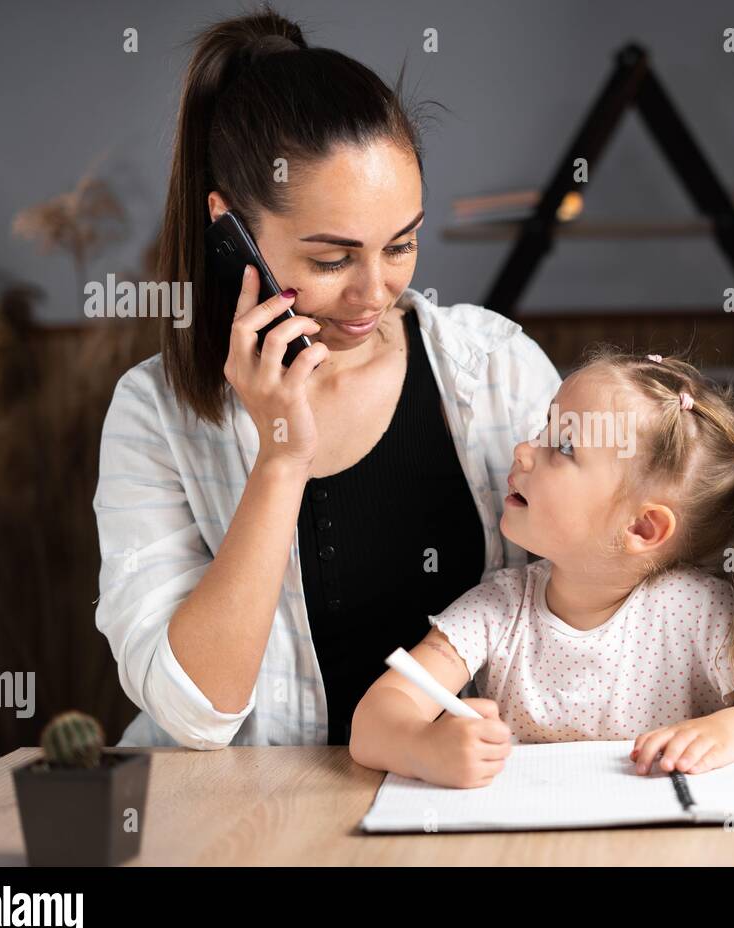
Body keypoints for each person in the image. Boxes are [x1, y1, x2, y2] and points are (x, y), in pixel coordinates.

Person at [92, 9, 560, 748]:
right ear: (230, 232)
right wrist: (281, 457)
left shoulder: (496, 368)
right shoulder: (155, 414)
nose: (374, 292)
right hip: (246, 826)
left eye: (401, 244)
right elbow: (194, 714)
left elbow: (608, 593)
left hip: (454, 805)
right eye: (332, 260)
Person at [350, 349, 734, 788]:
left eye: (562, 446)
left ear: (643, 529)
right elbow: (375, 720)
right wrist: (425, 749)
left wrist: (730, 730)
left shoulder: (693, 613)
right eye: (545, 428)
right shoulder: (497, 609)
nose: (523, 451)